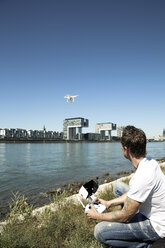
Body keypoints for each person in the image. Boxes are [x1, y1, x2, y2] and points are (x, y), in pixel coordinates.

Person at [85, 125, 165, 247]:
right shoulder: (150, 162)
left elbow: (125, 217)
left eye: (121, 147)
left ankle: (144, 245)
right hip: (154, 211)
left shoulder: (142, 176)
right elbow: (135, 192)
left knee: (100, 231)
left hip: (156, 226)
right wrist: (109, 203)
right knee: (118, 187)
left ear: (125, 149)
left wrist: (98, 216)